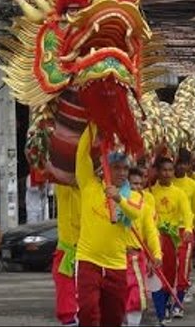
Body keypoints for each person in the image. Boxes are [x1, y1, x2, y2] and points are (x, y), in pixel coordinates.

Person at [74, 123, 144, 327]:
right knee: (87, 313)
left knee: (113, 319)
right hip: (88, 261)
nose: (122, 173)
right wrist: (94, 123)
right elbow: (81, 152)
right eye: (116, 168)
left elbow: (136, 213)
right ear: (105, 166)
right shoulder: (89, 185)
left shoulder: (134, 196)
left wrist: (119, 199)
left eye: (125, 168)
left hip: (116, 265)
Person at [149, 157, 193, 325]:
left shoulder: (179, 193)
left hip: (174, 238)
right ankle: (161, 312)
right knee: (158, 274)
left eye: (170, 170)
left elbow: (187, 213)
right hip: (156, 238)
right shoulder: (151, 192)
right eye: (164, 170)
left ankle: (171, 303)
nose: (167, 173)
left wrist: (188, 228)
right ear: (158, 172)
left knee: (175, 273)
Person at [125, 168, 162, 327]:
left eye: (140, 184)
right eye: (134, 184)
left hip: (135, 257)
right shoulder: (114, 203)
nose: (138, 187)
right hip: (114, 257)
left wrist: (156, 254)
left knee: (135, 295)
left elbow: (151, 232)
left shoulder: (146, 208)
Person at [172, 149, 195, 309]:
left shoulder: (193, 185)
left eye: (185, 163)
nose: (181, 167)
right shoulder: (166, 180)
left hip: (186, 230)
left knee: (184, 263)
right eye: (179, 163)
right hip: (168, 230)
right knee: (171, 265)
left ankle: (181, 294)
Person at [51, 174, 81, 326]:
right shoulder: (62, 187)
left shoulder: (93, 188)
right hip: (66, 252)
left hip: (89, 253)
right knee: (66, 304)